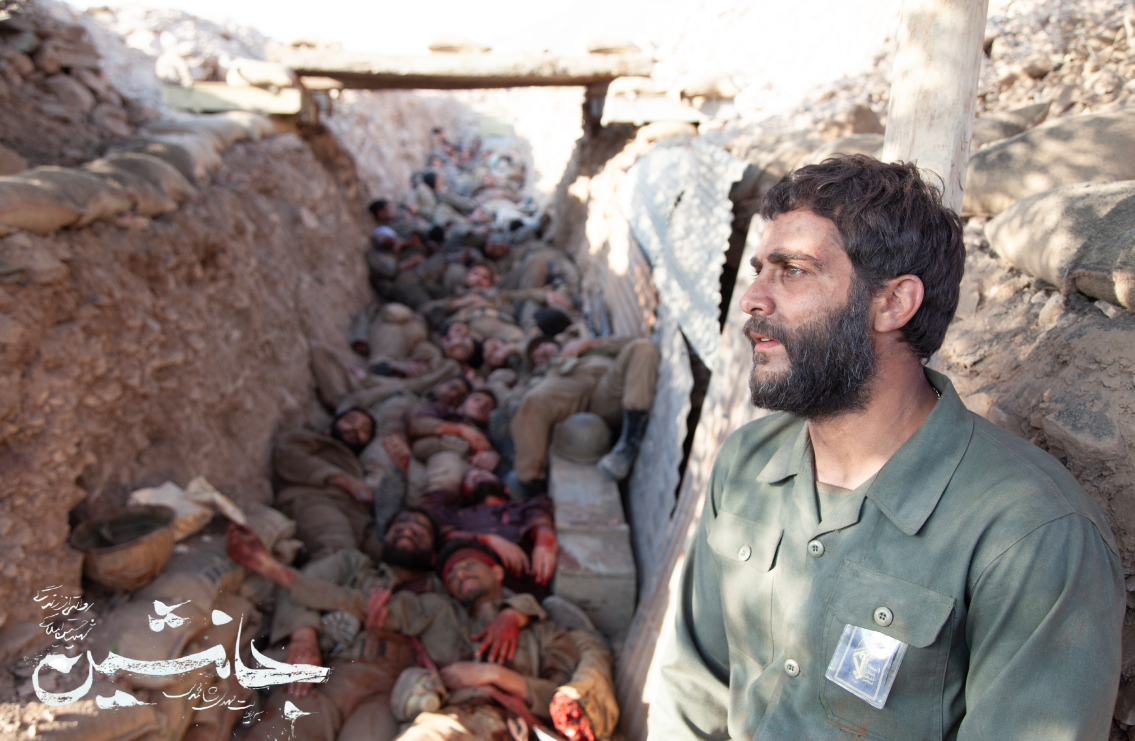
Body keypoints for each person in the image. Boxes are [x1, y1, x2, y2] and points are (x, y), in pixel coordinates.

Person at [652, 155, 1124, 741]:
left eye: (792, 270)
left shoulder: (1033, 533)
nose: (751, 298)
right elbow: (694, 691)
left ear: (894, 303)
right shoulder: (745, 463)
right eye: (759, 271)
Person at [373, 540, 617, 741]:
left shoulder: (543, 631)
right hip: (448, 717)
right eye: (452, 576)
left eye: (469, 564)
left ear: (497, 572)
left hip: (511, 724)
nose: (460, 573)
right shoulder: (440, 615)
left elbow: (559, 698)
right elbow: (388, 610)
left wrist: (494, 675)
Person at [509, 336, 660, 493]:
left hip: (609, 382)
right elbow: (512, 401)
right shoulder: (540, 377)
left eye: (541, 346)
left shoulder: (583, 342)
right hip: (572, 392)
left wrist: (590, 343)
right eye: (536, 357)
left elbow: (634, 339)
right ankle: (531, 483)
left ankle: (629, 443)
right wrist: (546, 375)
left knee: (642, 347)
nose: (541, 352)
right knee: (533, 401)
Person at [273, 408, 386, 561]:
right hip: (315, 500)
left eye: (364, 430)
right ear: (330, 426)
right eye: (350, 421)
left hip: (358, 518)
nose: (355, 429)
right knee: (337, 551)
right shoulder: (314, 440)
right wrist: (342, 480)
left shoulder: (357, 466)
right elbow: (288, 454)